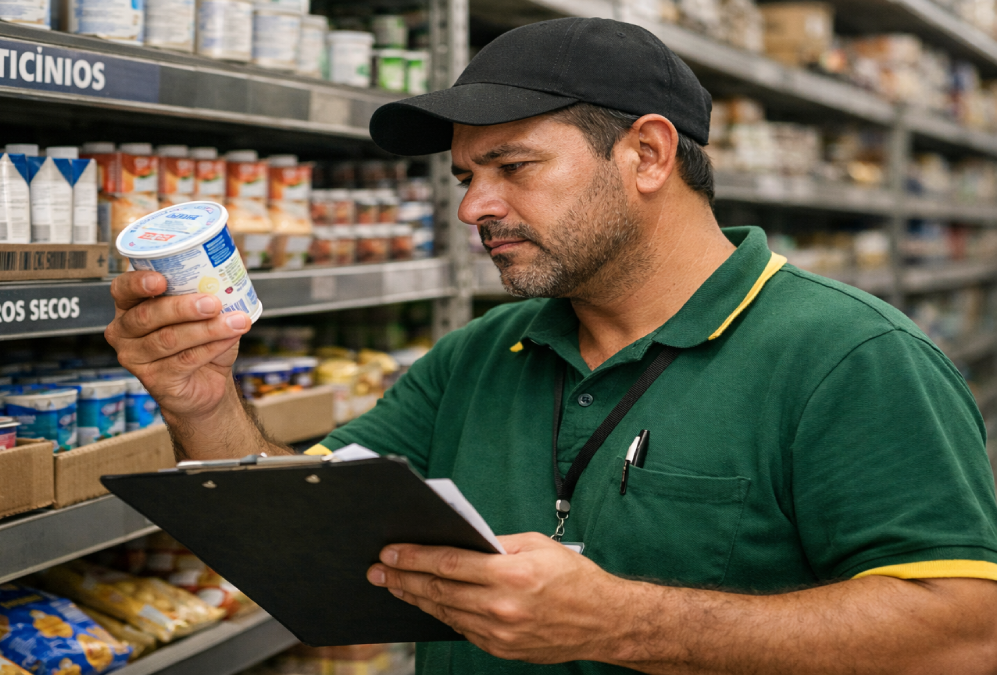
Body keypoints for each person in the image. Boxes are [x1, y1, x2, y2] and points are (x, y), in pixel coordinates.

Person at [105, 17, 997, 675]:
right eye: (464, 176)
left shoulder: (848, 356)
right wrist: (201, 398)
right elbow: (302, 530)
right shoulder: (483, 352)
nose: (471, 208)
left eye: (513, 167)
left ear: (648, 154)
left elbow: (966, 629)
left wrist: (624, 622)